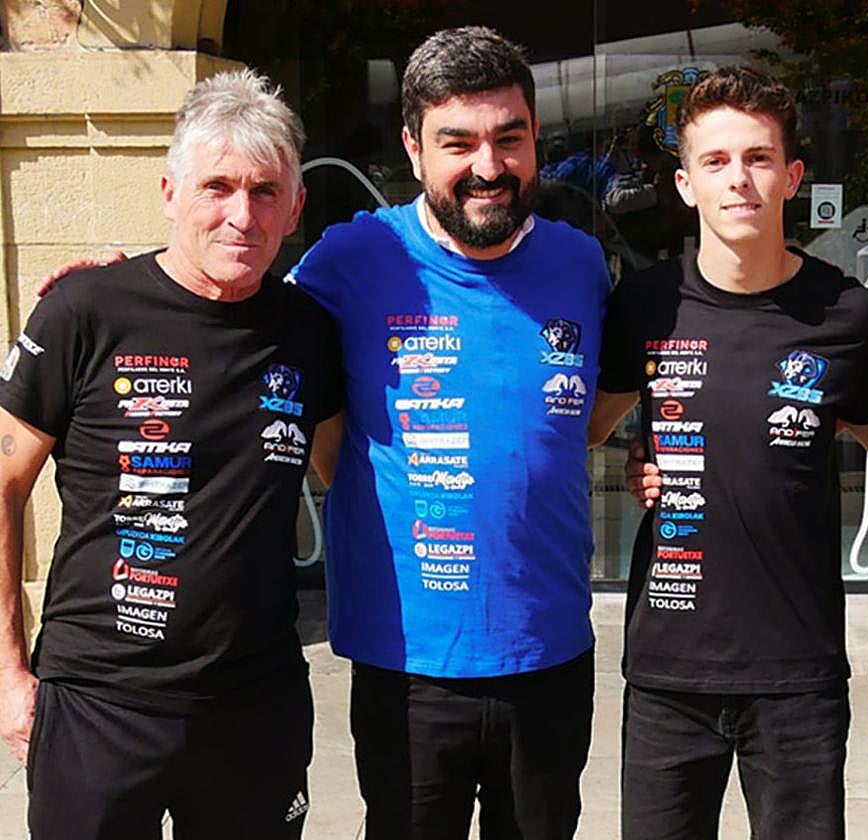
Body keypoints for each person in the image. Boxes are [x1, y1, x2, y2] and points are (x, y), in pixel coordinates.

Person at [0, 69, 341, 838]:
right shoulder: (84, 312)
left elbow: (349, 473)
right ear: (169, 192)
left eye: (265, 191)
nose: (241, 215)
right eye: (217, 187)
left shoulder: (311, 332)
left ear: (295, 207)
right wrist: (7, 676)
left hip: (254, 706)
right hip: (98, 704)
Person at [289, 27, 609, 840]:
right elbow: (230, 314)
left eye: (509, 138)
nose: (488, 167)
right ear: (413, 147)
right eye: (458, 143)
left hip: (550, 652)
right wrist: (120, 282)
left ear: (536, 136)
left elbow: (587, 418)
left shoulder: (581, 263)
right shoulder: (352, 257)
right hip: (408, 664)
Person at [587, 66, 868, 840]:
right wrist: (640, 451)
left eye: (758, 158)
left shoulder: (848, 315)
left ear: (793, 176)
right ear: (685, 185)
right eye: (716, 161)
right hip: (667, 672)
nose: (739, 179)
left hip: (798, 674)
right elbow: (578, 428)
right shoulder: (645, 306)